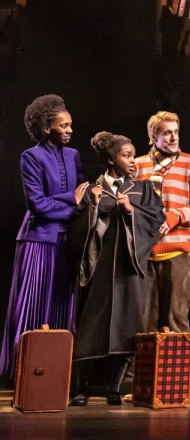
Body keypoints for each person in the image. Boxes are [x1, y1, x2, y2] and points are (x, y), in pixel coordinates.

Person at [69, 132, 165, 406]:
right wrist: (93, 209)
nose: (134, 161)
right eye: (127, 156)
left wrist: (131, 212)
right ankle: (81, 388)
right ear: (111, 159)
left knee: (127, 326)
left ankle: (114, 387)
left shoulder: (142, 190)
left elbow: (156, 222)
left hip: (129, 271)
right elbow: (74, 233)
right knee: (91, 325)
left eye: (134, 155)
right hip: (97, 270)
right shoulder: (91, 191)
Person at [0, 95, 86, 378]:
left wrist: (74, 201)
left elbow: (83, 196)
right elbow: (37, 204)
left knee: (62, 304)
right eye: (64, 126)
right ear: (48, 128)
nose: (70, 130)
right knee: (34, 303)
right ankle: (24, 370)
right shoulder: (31, 156)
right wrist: (71, 201)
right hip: (39, 239)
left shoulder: (73, 155)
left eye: (71, 124)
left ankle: (56, 373)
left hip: (66, 240)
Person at [133, 111, 190, 334]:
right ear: (153, 137)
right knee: (144, 320)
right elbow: (133, 205)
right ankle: (144, 369)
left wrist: (174, 217)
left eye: (176, 132)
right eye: (167, 133)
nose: (173, 138)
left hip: (176, 250)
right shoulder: (138, 165)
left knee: (177, 317)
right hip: (145, 252)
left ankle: (178, 369)